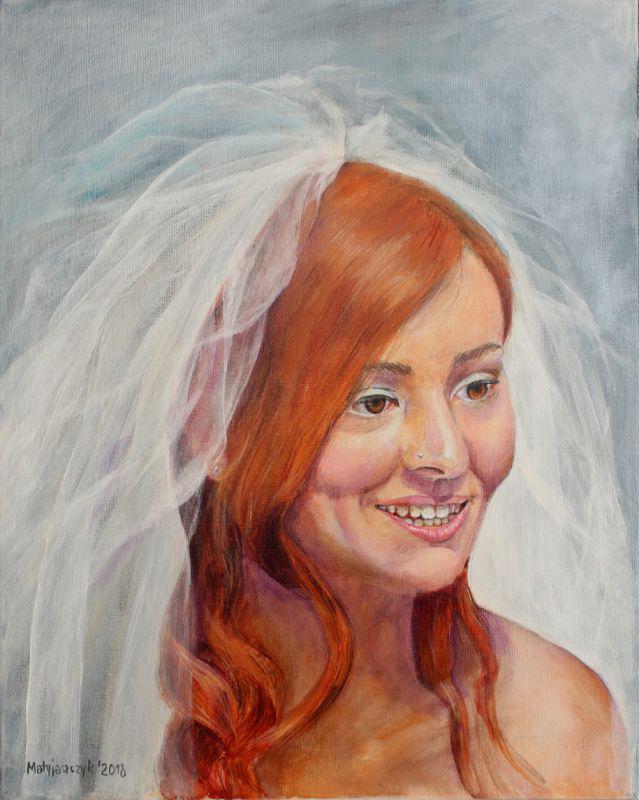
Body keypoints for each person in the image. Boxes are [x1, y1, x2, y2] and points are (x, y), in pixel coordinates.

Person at [1, 69, 634, 800]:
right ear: (218, 425)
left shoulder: (557, 730)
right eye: (374, 400)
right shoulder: (134, 735)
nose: (446, 454)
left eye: (476, 386)